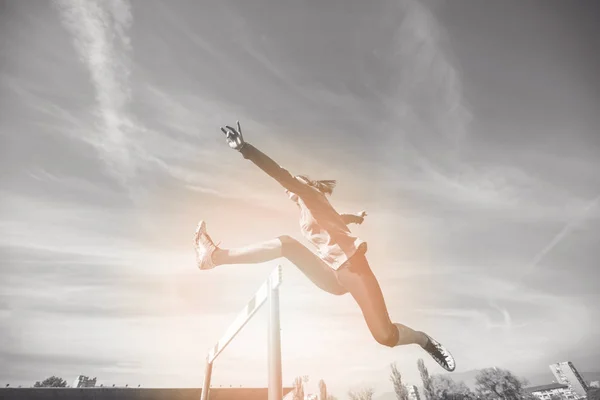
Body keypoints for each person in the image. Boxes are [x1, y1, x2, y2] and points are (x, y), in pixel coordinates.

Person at [193, 121, 455, 372]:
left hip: (354, 269)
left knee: (384, 336)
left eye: (294, 183)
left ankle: (424, 340)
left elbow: (280, 174)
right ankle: (214, 257)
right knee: (287, 244)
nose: (288, 189)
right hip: (332, 275)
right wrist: (354, 217)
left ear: (303, 184)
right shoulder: (309, 211)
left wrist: (245, 149)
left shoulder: (310, 194)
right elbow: (336, 219)